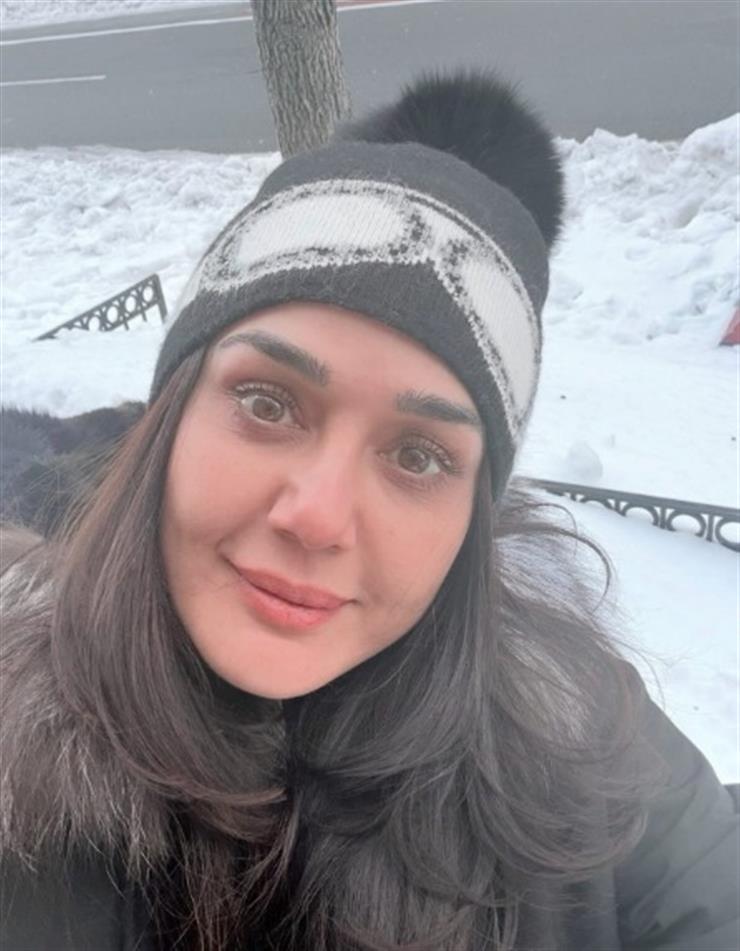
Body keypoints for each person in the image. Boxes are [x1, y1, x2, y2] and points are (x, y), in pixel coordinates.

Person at [1, 70, 737, 951]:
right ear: (170, 413)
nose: (317, 517)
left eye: (418, 455)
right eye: (268, 403)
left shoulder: (586, 756)